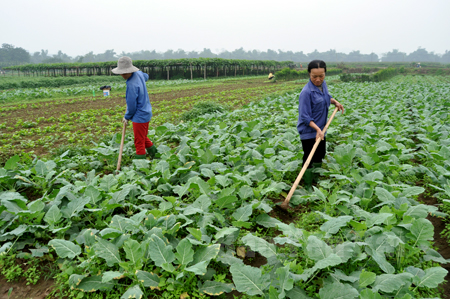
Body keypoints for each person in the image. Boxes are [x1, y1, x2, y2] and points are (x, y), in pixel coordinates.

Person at [296, 60, 344, 189]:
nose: (318, 79)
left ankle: (315, 181)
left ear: (325, 74)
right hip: (309, 131)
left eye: (321, 76)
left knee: (320, 154)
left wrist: (335, 102)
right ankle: (307, 185)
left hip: (321, 129)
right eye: (314, 76)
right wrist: (317, 129)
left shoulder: (323, 85)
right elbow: (305, 117)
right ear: (309, 75)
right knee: (309, 159)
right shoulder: (306, 93)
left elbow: (326, 97)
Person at [112, 56, 157, 159]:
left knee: (139, 142)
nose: (122, 75)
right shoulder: (139, 74)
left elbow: (132, 106)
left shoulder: (131, 85)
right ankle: (155, 154)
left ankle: (141, 166)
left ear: (130, 71)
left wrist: (127, 117)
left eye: (124, 73)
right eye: (121, 73)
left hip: (139, 116)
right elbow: (146, 76)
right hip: (146, 112)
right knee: (143, 137)